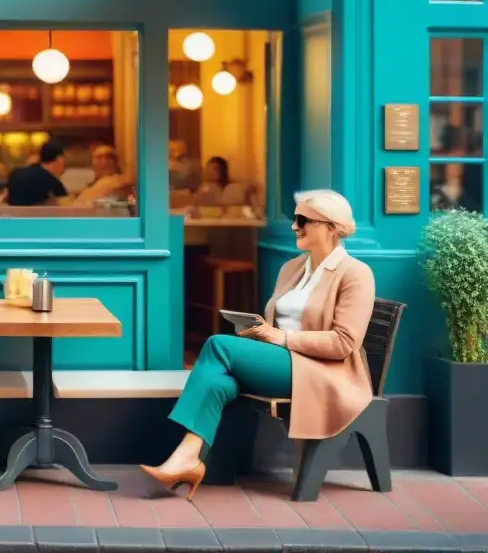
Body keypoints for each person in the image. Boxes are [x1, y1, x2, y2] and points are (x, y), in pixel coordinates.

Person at [141, 189, 375, 499]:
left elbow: (344, 343)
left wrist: (281, 337)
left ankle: (186, 457)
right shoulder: (293, 267)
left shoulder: (356, 274)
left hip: (320, 371)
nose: (294, 226)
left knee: (217, 346)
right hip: (280, 359)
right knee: (219, 383)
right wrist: (260, 332)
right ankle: (188, 458)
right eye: (295, 219)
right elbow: (278, 325)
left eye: (303, 220)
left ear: (331, 228)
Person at [3, 138, 68, 206]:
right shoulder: (52, 181)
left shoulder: (16, 173)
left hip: (12, 215)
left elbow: (6, 197)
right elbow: (65, 206)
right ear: (60, 160)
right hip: (35, 216)